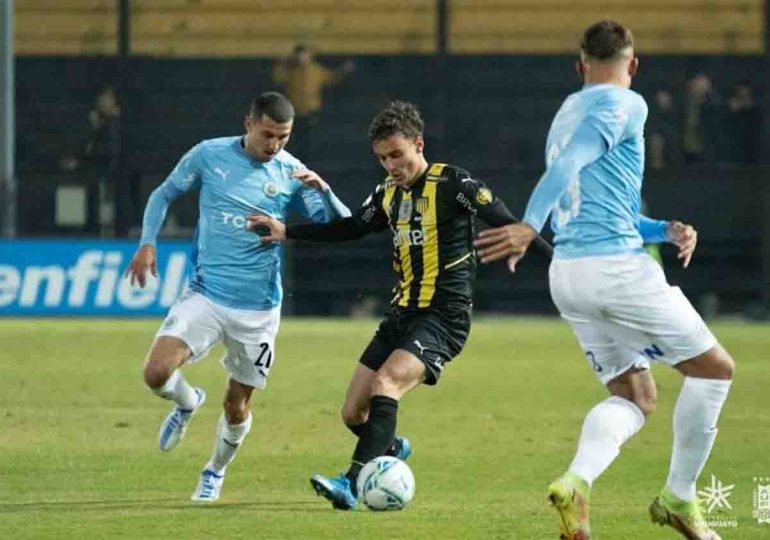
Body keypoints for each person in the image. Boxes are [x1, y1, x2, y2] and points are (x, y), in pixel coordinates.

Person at [473, 21, 734, 540]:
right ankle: (680, 495)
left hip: (570, 275)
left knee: (635, 394)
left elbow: (600, 202)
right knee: (714, 371)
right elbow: (568, 167)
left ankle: (577, 482)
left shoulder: (567, 111)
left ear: (580, 66)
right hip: (614, 270)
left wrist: (664, 228)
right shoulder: (626, 103)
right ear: (632, 65)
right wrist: (528, 224)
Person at [249, 101, 551, 510]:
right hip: (400, 315)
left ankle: (352, 484)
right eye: (382, 158)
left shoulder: (453, 186)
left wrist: (565, 267)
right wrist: (288, 231)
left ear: (418, 145)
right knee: (353, 414)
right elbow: (354, 227)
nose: (390, 165)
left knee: (385, 385)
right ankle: (390, 447)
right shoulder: (387, 194)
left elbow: (513, 225)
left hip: (443, 318)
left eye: (396, 155)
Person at [124, 92, 351, 502]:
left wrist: (327, 192)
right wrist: (147, 243)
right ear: (248, 124)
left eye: (284, 137)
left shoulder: (292, 172)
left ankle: (214, 471)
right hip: (207, 294)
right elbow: (163, 194)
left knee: (236, 405)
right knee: (155, 372)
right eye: (269, 134)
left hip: (258, 310)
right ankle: (188, 401)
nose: (276, 145)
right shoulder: (209, 156)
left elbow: (340, 226)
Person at [272, 44, 354, 159]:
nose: (302, 58)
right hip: (294, 112)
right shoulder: (291, 71)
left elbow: (332, 78)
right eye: (299, 55)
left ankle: (309, 158)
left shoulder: (316, 70)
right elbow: (278, 78)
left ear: (310, 56)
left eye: (304, 55)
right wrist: (281, 63)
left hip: (311, 111)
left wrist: (343, 70)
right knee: (296, 139)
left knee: (308, 138)